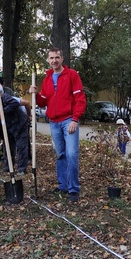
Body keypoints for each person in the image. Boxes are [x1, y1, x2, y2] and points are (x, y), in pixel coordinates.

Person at [29, 47, 87, 203]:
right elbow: (44, 102)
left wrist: (75, 119)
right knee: (60, 154)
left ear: (62, 59)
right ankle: (63, 185)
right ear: (48, 60)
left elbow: (80, 98)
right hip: (54, 122)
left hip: (69, 120)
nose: (54, 60)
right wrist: (35, 94)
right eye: (51, 58)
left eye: (57, 57)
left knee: (72, 154)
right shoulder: (47, 79)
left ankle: (73, 189)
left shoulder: (71, 75)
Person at [0, 91, 30, 175]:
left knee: (21, 147)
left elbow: (15, 103)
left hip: (19, 123)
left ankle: (21, 169)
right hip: (7, 128)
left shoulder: (3, 97)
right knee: (7, 147)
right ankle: (8, 167)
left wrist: (3, 111)